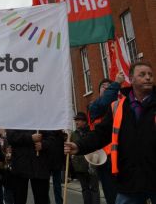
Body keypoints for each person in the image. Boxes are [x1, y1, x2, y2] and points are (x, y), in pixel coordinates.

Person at [65, 61, 156, 204]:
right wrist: (79, 146)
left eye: (150, 74)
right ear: (131, 79)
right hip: (128, 181)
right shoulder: (116, 107)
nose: (148, 78)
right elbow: (101, 134)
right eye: (142, 75)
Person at [87, 72, 125, 204]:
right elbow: (104, 102)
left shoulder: (118, 105)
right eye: (103, 86)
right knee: (112, 195)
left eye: (108, 86)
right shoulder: (94, 105)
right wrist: (115, 84)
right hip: (106, 158)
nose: (106, 87)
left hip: (122, 155)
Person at [6, 130, 53, 204]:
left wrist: (43, 145)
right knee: (19, 199)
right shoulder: (14, 119)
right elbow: (11, 137)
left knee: (42, 199)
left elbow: (52, 139)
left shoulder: (44, 119)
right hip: (20, 165)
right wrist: (30, 138)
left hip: (40, 166)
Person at [70, 112, 100, 204]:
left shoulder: (92, 132)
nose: (77, 122)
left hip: (92, 164)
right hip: (79, 166)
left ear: (84, 121)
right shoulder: (73, 134)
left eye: (78, 120)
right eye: (76, 120)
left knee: (94, 188)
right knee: (85, 189)